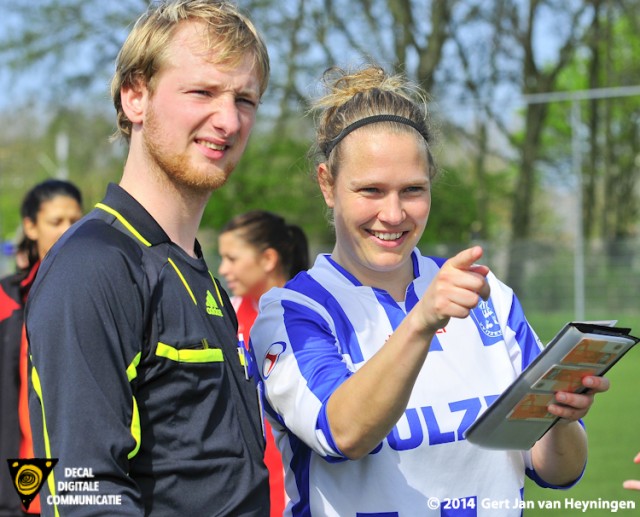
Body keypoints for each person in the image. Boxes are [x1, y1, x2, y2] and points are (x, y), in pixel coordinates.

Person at [248, 64, 610, 516]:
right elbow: (342, 433)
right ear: (327, 184)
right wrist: (421, 323)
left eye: (412, 190)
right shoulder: (293, 312)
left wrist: (560, 418)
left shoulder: (486, 293)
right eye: (371, 190)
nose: (394, 213)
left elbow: (558, 471)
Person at [26, 1, 271, 515]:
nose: (228, 119)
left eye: (245, 99)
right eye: (202, 91)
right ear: (135, 96)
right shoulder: (94, 265)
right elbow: (82, 492)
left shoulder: (194, 270)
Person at [218, 210, 310, 517]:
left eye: (232, 258)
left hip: (303, 475)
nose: (223, 269)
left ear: (268, 260)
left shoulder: (312, 312)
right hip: (248, 480)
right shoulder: (225, 315)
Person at [1, 179, 83, 516]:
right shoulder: (8, 297)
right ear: (30, 227)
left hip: (83, 480)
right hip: (18, 481)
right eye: (56, 221)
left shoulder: (95, 291)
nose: (68, 231)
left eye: (76, 221)